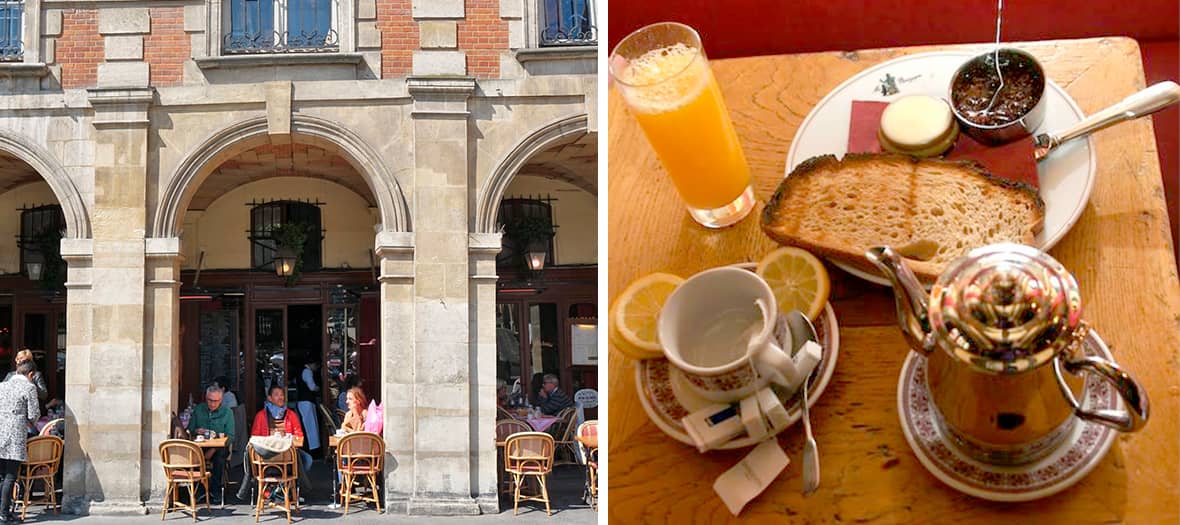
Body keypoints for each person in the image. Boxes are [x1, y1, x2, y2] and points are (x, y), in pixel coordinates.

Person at [235, 385, 313, 503]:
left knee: (307, 459)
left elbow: (299, 436)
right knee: (300, 460)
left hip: (287, 452)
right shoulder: (261, 416)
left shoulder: (291, 415)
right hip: (267, 455)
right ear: (269, 398)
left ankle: (288, 489)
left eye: (282, 395)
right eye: (276, 395)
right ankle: (280, 490)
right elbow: (254, 439)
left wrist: (288, 437)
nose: (280, 397)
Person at [0, 361, 40, 523]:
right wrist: (32, 424)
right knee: (11, 475)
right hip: (15, 434)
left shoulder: (2, 386)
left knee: (2, 475)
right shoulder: (29, 388)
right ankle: (4, 514)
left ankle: (2, 511)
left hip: (0, 431)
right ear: (31, 374)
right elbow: (34, 414)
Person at [187, 384, 235, 504]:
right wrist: (197, 431)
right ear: (206, 398)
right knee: (193, 457)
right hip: (200, 446)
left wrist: (213, 449)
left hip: (219, 448)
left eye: (216, 401)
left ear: (221, 400)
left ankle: (215, 492)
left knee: (218, 459)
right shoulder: (199, 409)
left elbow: (231, 436)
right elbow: (190, 429)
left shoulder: (227, 412)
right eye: (210, 400)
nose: (212, 404)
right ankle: (199, 491)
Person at [295, 361, 321, 451]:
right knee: (310, 426)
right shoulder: (307, 372)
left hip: (303, 402)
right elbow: (312, 387)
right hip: (307, 402)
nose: (316, 368)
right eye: (316, 365)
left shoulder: (302, 371)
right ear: (312, 363)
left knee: (308, 425)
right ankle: (313, 449)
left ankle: (311, 448)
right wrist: (319, 388)